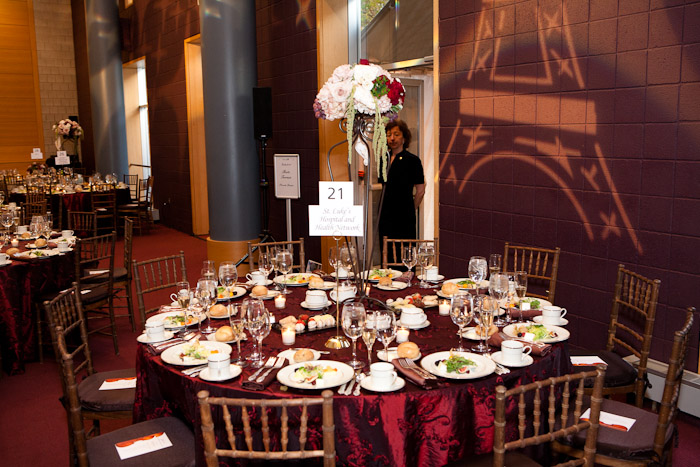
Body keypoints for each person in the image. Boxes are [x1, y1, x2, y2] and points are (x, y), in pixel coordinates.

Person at [378, 119, 425, 263]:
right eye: (389, 134)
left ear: (404, 138)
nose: (392, 138)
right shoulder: (383, 159)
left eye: (396, 134)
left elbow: (421, 190)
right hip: (385, 214)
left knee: (404, 254)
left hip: (404, 215)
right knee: (386, 254)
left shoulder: (413, 161)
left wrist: (411, 208)